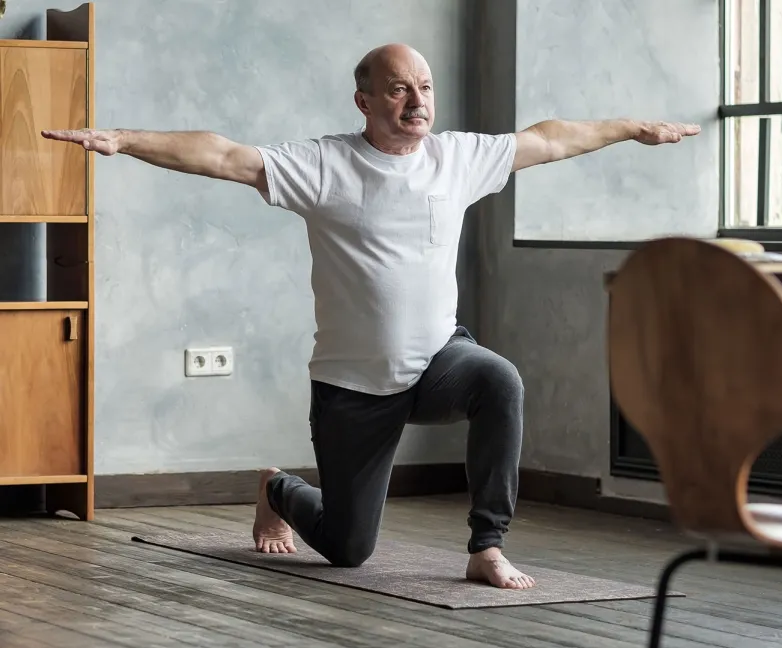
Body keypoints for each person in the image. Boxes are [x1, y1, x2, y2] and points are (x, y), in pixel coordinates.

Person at [42, 44, 700, 590]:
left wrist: (632, 128)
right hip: (352, 386)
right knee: (349, 548)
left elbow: (550, 139)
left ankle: (486, 546)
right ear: (364, 102)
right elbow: (222, 154)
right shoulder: (325, 165)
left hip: (441, 359)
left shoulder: (458, 159)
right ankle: (278, 490)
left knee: (500, 379)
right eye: (397, 90)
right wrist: (122, 139)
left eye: (424, 87)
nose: (416, 102)